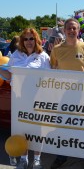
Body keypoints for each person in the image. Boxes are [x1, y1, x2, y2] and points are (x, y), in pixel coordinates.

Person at [0, 28, 50, 169]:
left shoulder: (43, 56)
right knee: (22, 129)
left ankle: (37, 159)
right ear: (22, 41)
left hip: (38, 98)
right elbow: (9, 75)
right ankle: (23, 158)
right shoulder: (16, 55)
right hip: (19, 98)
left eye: (31, 38)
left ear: (36, 40)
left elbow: (50, 79)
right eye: (26, 39)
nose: (29, 42)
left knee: (37, 130)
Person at [50, 18, 84, 169]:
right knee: (63, 127)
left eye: (74, 28)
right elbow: (52, 71)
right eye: (69, 28)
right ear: (64, 30)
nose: (71, 31)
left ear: (78, 31)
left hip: (83, 95)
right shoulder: (56, 50)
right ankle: (62, 156)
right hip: (63, 96)